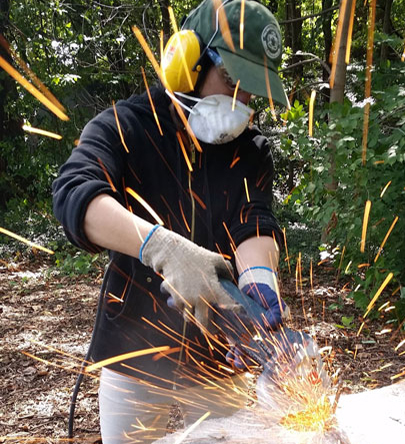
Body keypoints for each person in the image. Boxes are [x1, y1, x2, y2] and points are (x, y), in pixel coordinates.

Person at [53, 0, 290, 442]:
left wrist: (259, 284)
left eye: (253, 91)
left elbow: (253, 219)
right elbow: (74, 194)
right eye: (234, 80)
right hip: (133, 346)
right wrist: (162, 247)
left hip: (221, 349)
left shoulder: (251, 148)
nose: (244, 101)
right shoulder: (126, 126)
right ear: (189, 61)